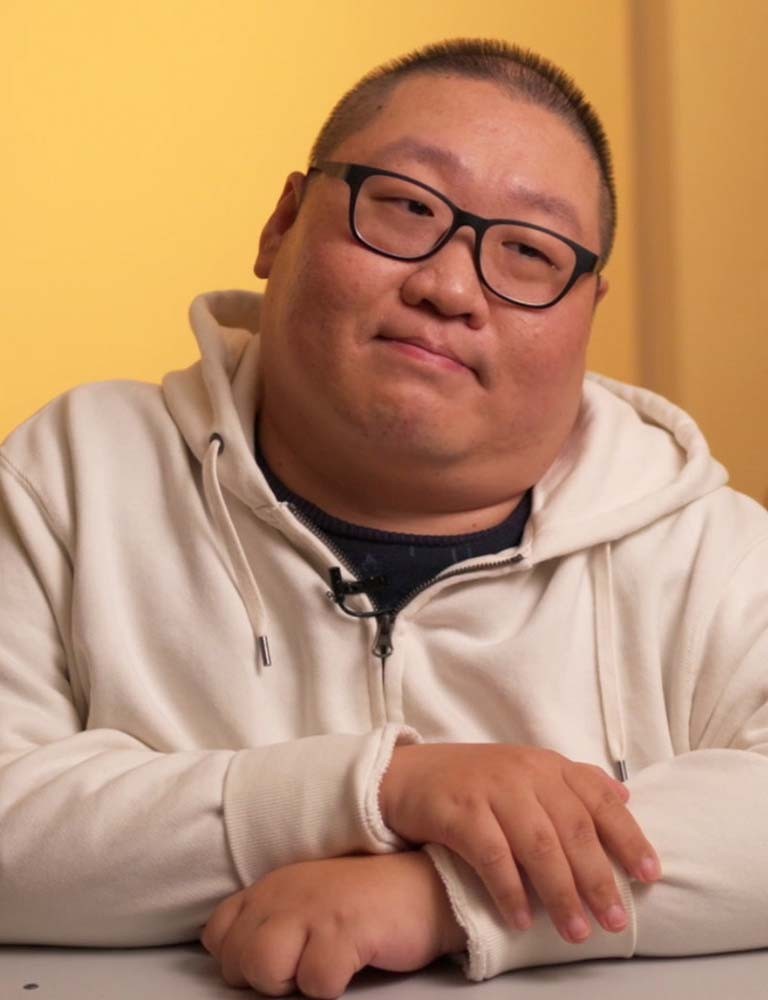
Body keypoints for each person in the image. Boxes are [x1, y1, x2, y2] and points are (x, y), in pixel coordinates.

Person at [1, 36, 767, 1000]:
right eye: (406, 208)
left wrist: (439, 896)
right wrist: (378, 790)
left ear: (587, 310)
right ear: (282, 223)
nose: (450, 288)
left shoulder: (706, 550)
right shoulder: (71, 474)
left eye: (528, 253)